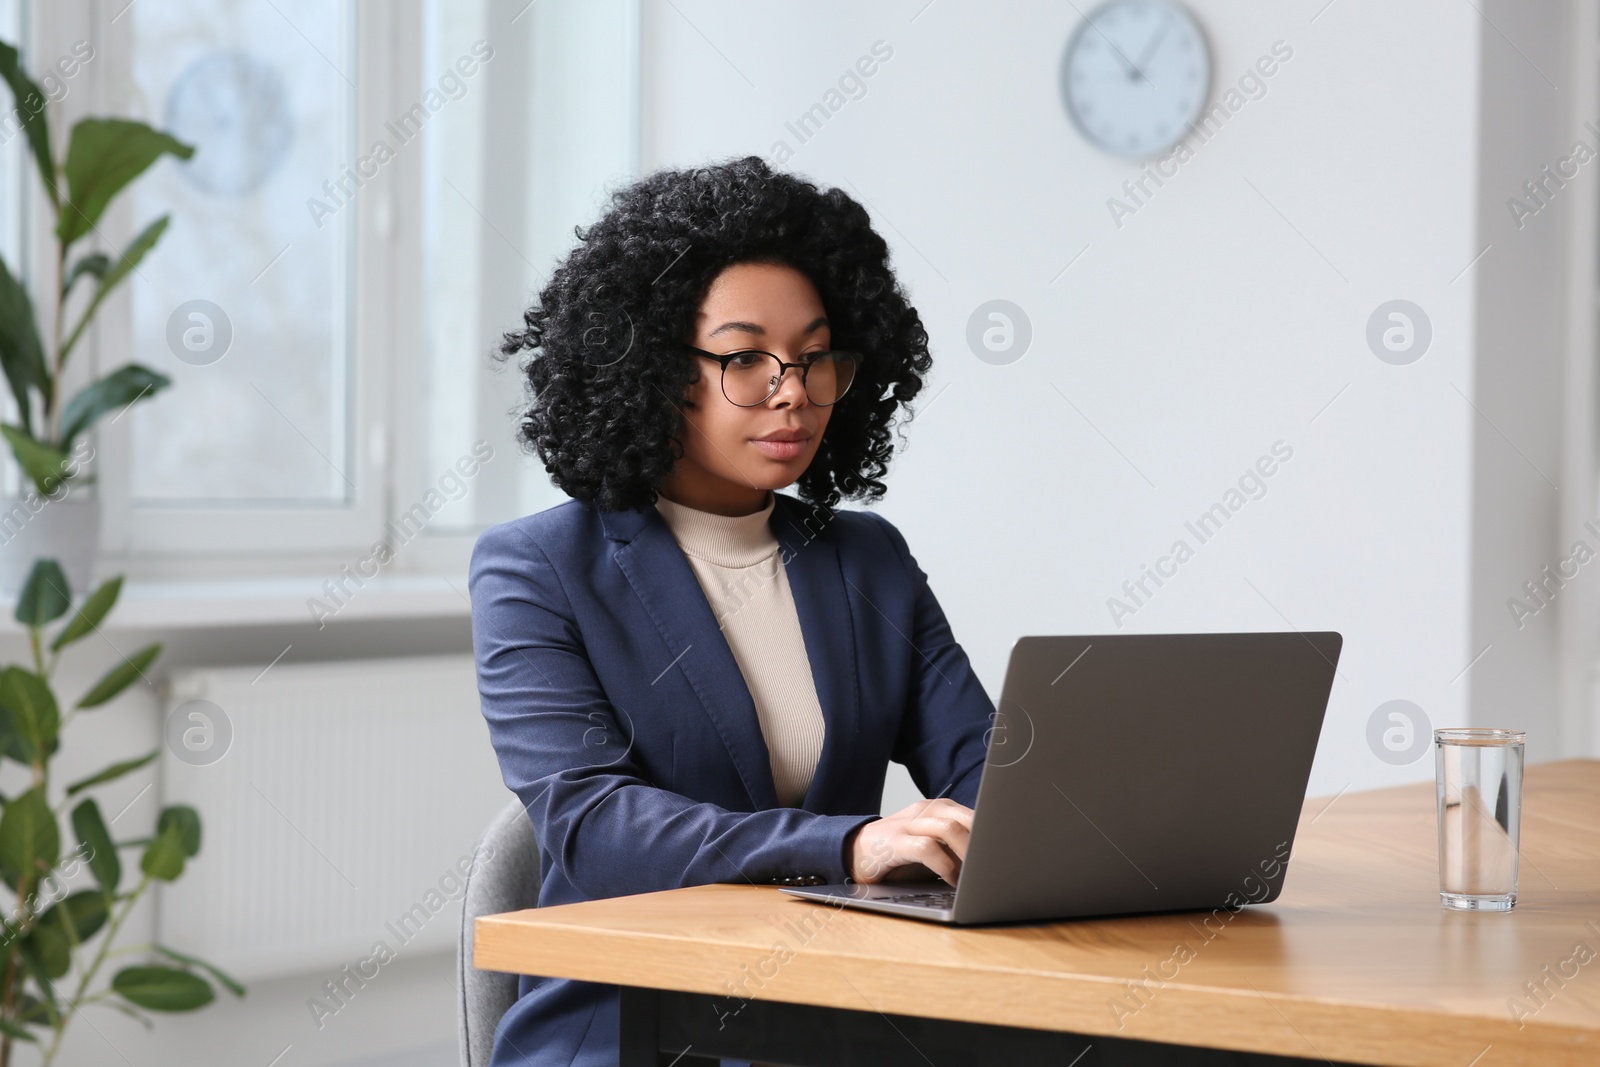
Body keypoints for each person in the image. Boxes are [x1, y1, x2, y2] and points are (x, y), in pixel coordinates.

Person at [468, 155, 995, 1067]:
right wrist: (851, 845)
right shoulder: (538, 568)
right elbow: (594, 827)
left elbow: (988, 766)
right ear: (653, 365)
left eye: (815, 354)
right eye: (745, 357)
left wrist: (1091, 828)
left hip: (830, 1020)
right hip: (633, 1032)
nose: (791, 389)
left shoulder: (867, 556)